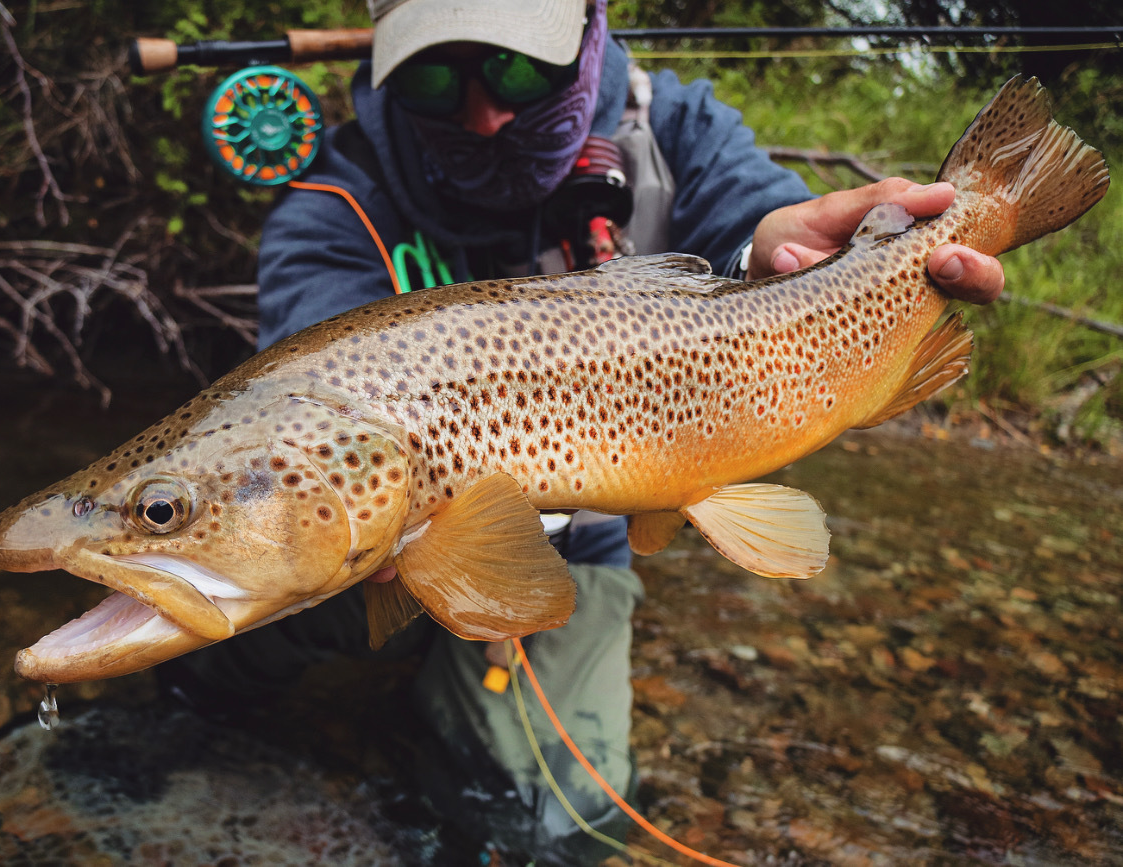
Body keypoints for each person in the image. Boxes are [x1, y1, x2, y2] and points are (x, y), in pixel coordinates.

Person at [162, 1, 1005, 863]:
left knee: (541, 824)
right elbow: (296, 426)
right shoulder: (337, 199)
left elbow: (758, 226)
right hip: (388, 526)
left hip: (588, 543)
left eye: (521, 69)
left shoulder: (675, 129)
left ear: (589, 36)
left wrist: (771, 259)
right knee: (244, 576)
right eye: (433, 76)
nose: (484, 113)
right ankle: (183, 706)